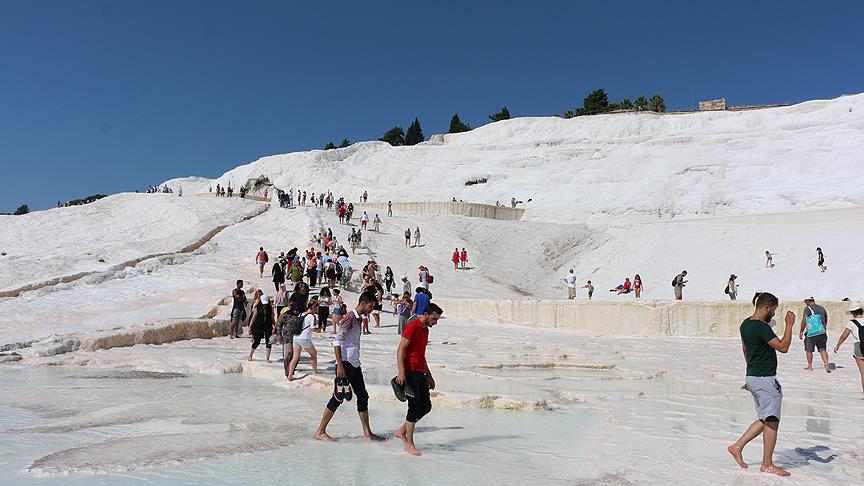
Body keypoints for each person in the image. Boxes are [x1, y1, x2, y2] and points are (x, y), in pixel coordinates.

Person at [727, 292, 794, 477]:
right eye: (773, 310)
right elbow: (783, 347)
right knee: (772, 421)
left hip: (754, 376)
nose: (773, 314)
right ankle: (767, 464)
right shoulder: (761, 327)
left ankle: (737, 446)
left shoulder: (745, 324)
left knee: (765, 418)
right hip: (764, 378)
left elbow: (745, 350)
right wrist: (789, 325)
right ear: (767, 307)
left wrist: (751, 377)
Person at [314, 292, 385, 442]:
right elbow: (337, 341)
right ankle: (320, 431)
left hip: (354, 363)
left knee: (363, 395)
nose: (371, 310)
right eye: (371, 306)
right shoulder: (350, 317)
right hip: (345, 364)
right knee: (338, 397)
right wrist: (340, 365)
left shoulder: (358, 318)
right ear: (364, 303)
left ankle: (367, 433)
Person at [394, 303, 444, 456]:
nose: (435, 322)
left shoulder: (425, 330)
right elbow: (400, 349)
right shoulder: (413, 326)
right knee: (414, 407)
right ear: (427, 314)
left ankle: (402, 431)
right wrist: (401, 372)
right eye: (434, 319)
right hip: (410, 372)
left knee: (426, 407)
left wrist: (429, 375)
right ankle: (409, 444)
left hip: (420, 372)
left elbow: (421, 354)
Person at [832, 302, 864, 394]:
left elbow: (843, 336)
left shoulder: (852, 323)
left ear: (853, 313)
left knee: (863, 373)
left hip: (859, 348)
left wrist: (837, 346)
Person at [287, 299, 320, 380]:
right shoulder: (312, 316)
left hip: (296, 337)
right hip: (304, 338)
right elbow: (313, 329)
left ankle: (290, 375)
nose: (317, 310)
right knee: (314, 354)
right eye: (316, 308)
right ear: (313, 307)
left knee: (295, 357)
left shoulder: (301, 314)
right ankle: (315, 371)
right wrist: (320, 329)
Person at [800, 297, 830, 373]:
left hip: (812, 334)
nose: (805, 303)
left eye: (805, 301)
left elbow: (804, 321)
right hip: (822, 332)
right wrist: (823, 328)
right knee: (823, 349)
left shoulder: (808, 309)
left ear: (808, 301)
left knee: (809, 350)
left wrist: (801, 331)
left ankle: (810, 366)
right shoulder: (822, 308)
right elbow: (825, 320)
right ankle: (826, 365)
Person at [248, 291, 276, 363]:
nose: (265, 305)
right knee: (257, 341)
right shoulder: (257, 308)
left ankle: (267, 358)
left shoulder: (270, 308)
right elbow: (253, 318)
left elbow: (272, 318)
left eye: (266, 303)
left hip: (268, 326)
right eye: (264, 304)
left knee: (269, 342)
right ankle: (250, 355)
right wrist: (250, 327)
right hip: (258, 326)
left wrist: (275, 326)